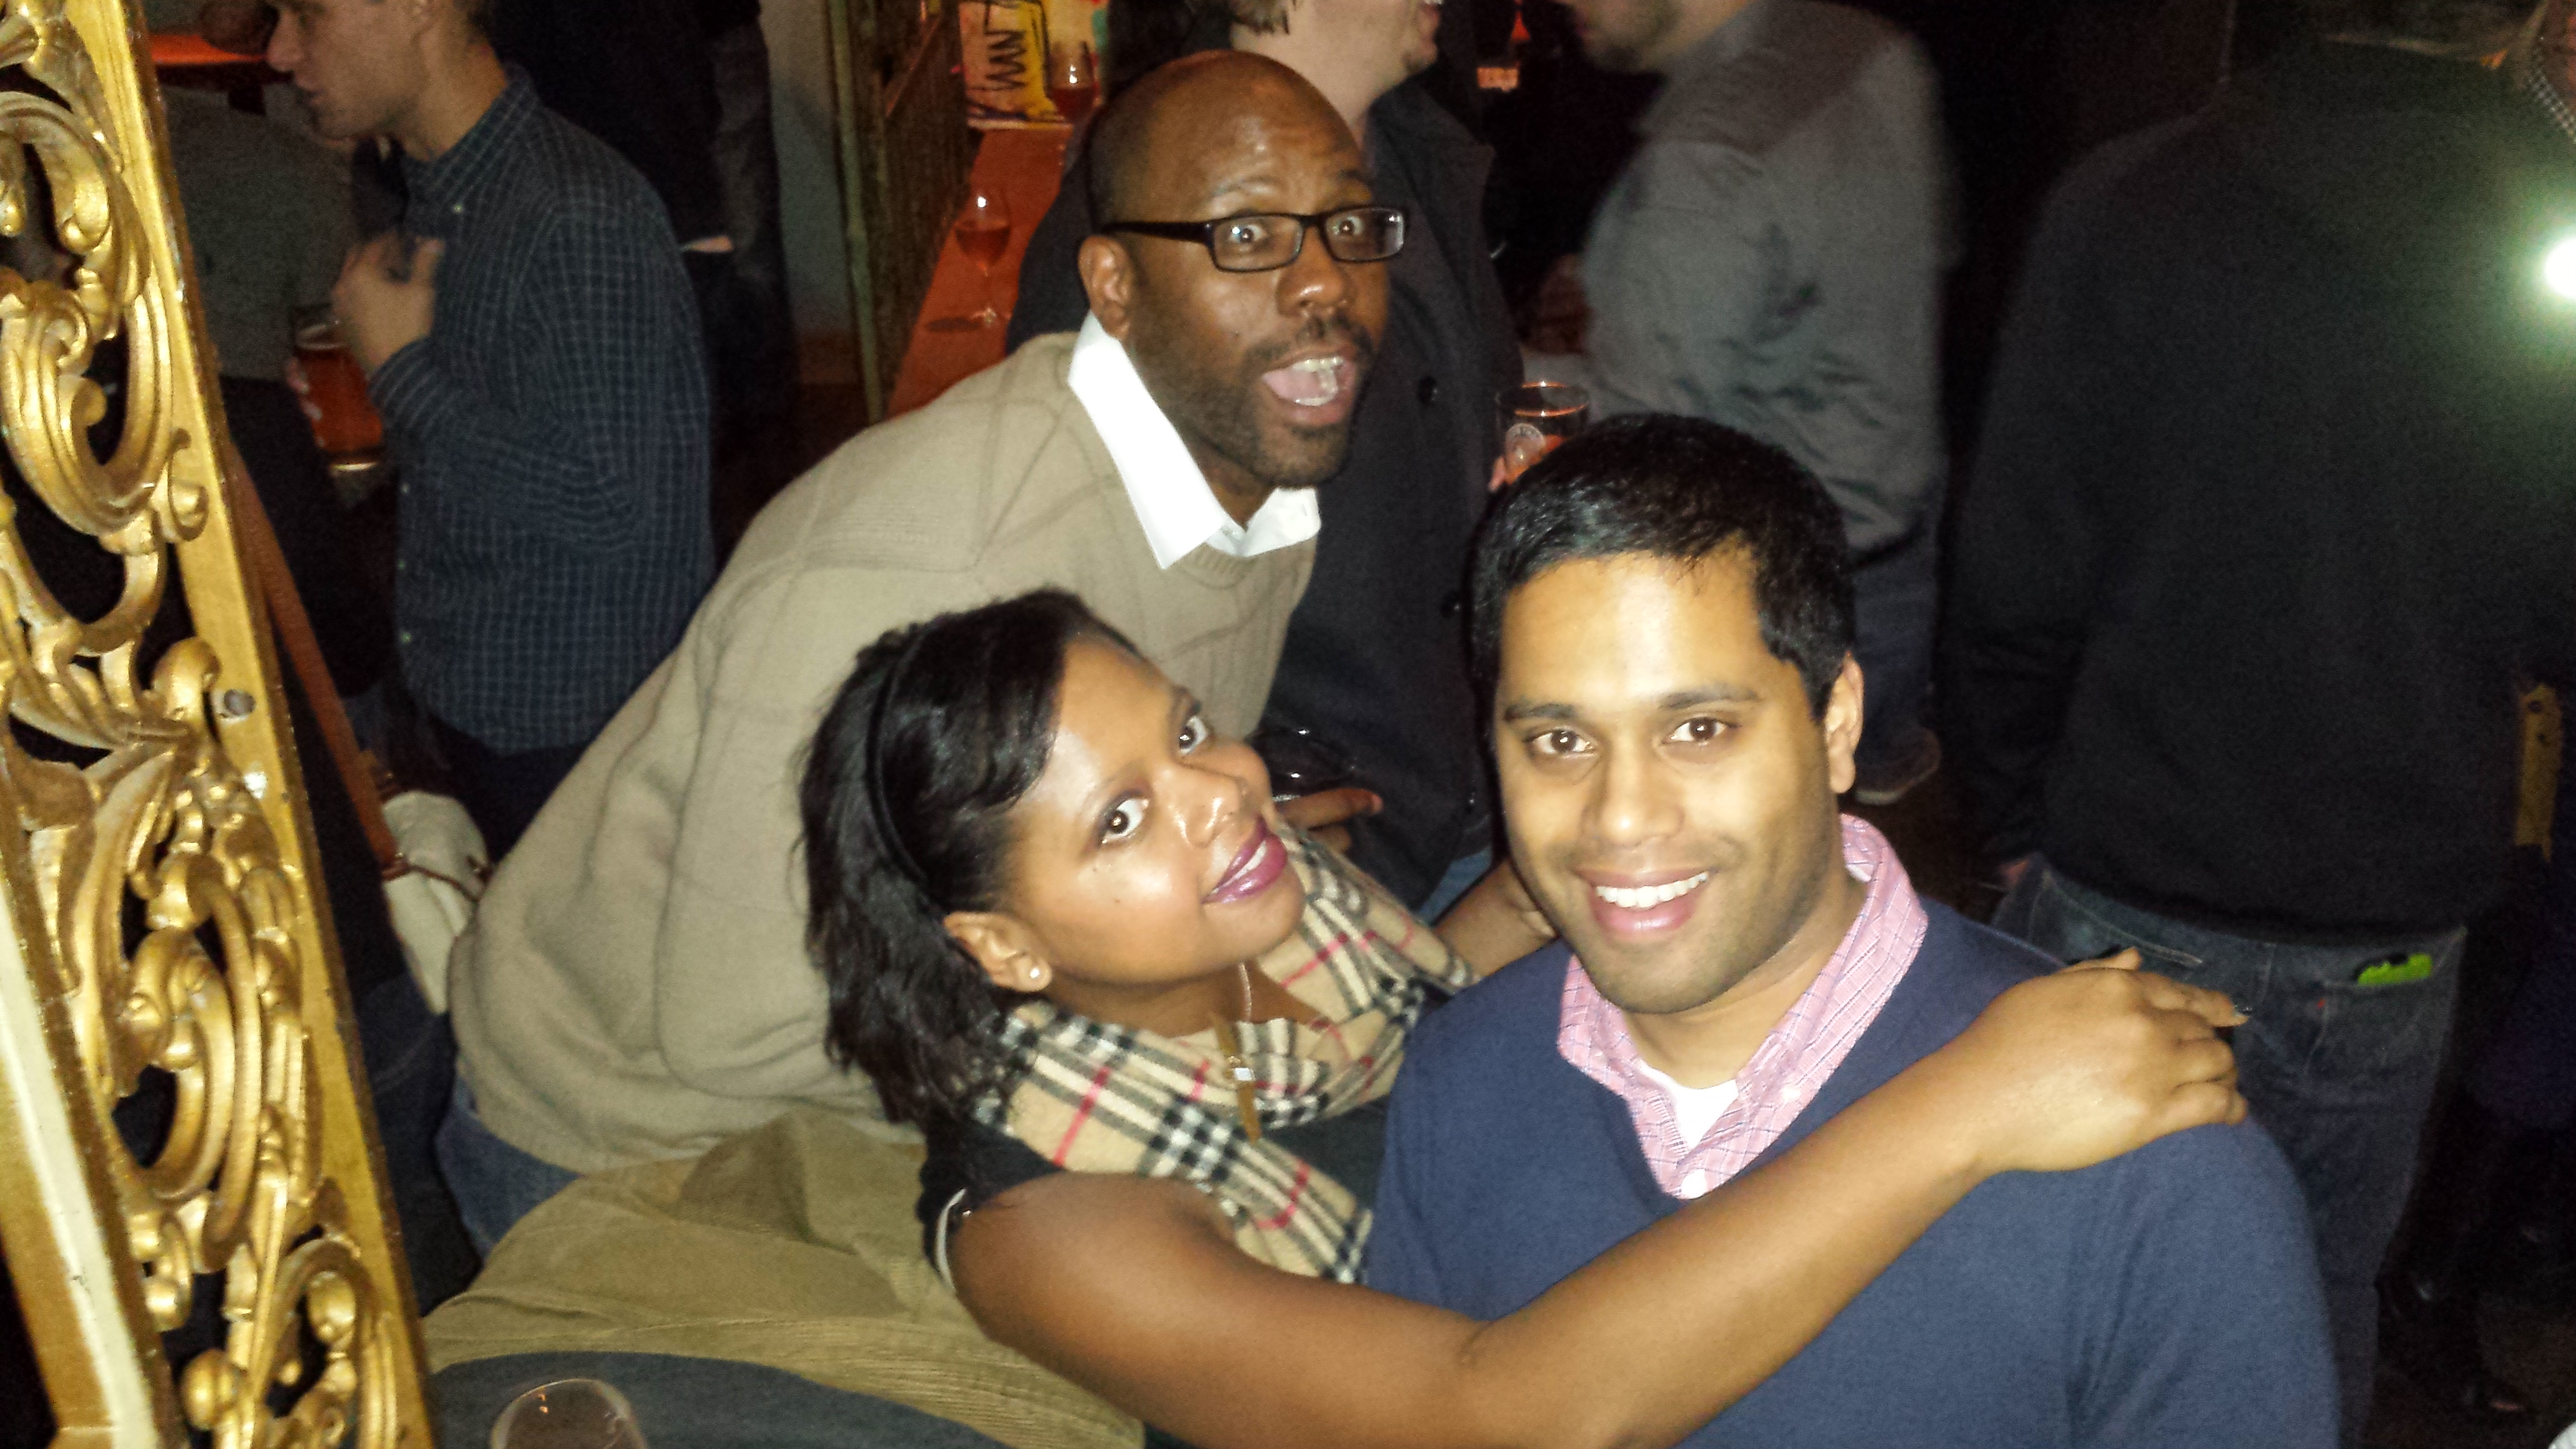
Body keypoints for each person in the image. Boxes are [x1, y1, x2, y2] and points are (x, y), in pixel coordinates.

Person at [437, 55, 1505, 1252]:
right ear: (1114, 286)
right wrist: (1146, 964)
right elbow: (735, 1019)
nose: (1325, 284)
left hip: (855, 1074)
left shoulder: (1256, 484)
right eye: (1246, 235)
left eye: (1349, 226)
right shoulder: (940, 568)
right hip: (624, 1132)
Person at [799, 583, 2255, 1449]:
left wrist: (1602, 803)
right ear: (1000, 944)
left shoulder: (1270, 897)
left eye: (1185, 731)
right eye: (1121, 819)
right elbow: (1494, 1414)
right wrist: (1969, 1104)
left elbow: (1425, 1002)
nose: (1220, 794)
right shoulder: (1044, 1229)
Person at [1367, 417, 2337, 1447]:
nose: (1622, 817)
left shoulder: (2154, 1163)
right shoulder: (1459, 1079)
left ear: (1836, 723)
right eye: (1560, 740)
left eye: (1699, 729)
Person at [1946, 0, 2576, 1430]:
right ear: (2514, 19)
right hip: (2387, 909)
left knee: (2070, 1291)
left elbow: (2016, 565)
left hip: (2130, 864)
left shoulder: (2128, 200)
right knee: (2311, 1293)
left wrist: (2013, 815)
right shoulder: (2553, 235)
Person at [1012, 0, 1520, 912]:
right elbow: (1060, 597)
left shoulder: (1419, 149)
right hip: (1304, 865)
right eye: (1254, 238)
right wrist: (1203, 795)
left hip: (1474, 797)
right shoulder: (1140, 211)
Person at [264, 0, 715, 858]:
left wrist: (403, 376)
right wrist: (367, 406)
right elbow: (495, 442)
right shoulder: (439, 190)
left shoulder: (575, 213)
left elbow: (614, 507)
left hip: (575, 740)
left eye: (308, 14)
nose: (282, 51)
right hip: (471, 703)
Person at [1528, 0, 1952, 804]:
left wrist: (1495, 358)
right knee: (1885, 795)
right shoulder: (1871, 46)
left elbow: (1641, 429)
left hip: (1785, 596)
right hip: (1902, 546)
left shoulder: (1708, 154)